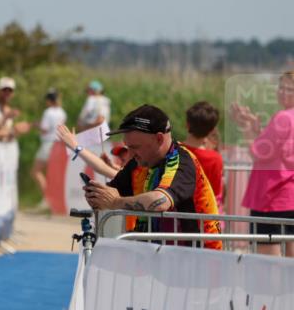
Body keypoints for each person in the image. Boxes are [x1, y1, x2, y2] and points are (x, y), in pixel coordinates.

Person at [83, 105, 222, 249]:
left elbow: (160, 201)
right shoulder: (138, 162)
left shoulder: (181, 161)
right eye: (128, 147)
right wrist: (95, 195)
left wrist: (115, 202)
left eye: (135, 147)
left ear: (159, 138)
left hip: (200, 257)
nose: (130, 154)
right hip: (161, 254)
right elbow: (111, 194)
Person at [231, 71, 294, 256]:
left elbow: (257, 152)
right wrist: (255, 127)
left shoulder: (282, 117)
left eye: (289, 89)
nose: (283, 92)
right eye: (281, 87)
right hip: (289, 196)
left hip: (271, 197)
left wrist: (245, 126)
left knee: (268, 263)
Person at [182, 101, 224, 207]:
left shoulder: (173, 151)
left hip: (176, 214)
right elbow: (215, 192)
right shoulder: (215, 158)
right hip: (204, 213)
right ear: (211, 130)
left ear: (187, 124)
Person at [31, 89, 67, 205]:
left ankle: (47, 198)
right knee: (52, 173)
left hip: (48, 144)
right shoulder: (62, 112)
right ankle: (54, 199)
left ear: (49, 100)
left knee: (36, 171)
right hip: (58, 144)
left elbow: (45, 129)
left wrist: (36, 125)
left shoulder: (48, 112)